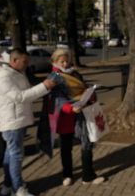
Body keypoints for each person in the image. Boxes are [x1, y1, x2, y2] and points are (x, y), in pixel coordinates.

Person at [0, 48, 56, 196]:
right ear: (14, 61)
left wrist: (47, 83)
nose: (27, 64)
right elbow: (19, 97)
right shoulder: (3, 76)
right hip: (12, 122)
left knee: (11, 154)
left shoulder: (16, 73)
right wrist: (44, 86)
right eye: (24, 61)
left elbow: (25, 93)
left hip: (18, 119)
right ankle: (17, 189)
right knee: (16, 155)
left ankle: (8, 185)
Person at [45, 48, 104, 186]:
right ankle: (67, 175)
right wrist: (71, 108)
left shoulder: (75, 74)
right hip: (66, 117)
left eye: (67, 60)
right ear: (55, 62)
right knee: (66, 147)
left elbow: (83, 89)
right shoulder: (53, 77)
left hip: (82, 115)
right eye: (62, 61)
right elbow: (56, 99)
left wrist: (90, 94)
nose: (66, 63)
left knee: (87, 144)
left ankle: (88, 176)